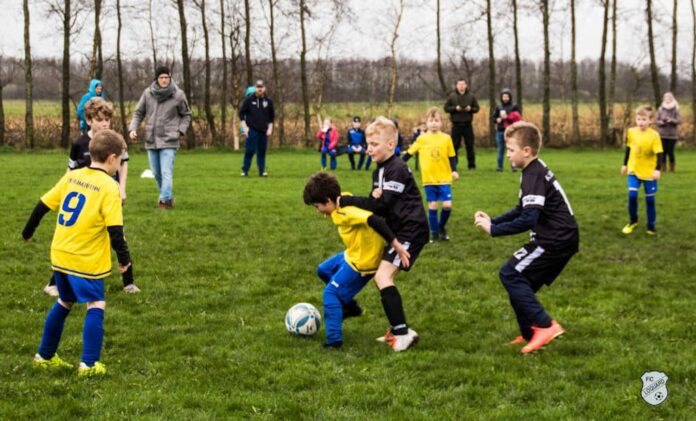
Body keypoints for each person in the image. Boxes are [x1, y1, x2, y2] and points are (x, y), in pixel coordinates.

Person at [22, 129, 134, 376]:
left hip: (60, 254)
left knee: (65, 300)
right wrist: (125, 261)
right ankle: (90, 364)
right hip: (85, 259)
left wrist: (27, 231)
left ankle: (44, 356)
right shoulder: (109, 186)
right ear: (112, 158)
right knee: (96, 303)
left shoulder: (72, 177)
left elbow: (42, 205)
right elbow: (116, 231)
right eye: (121, 159)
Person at [474, 121, 578, 354]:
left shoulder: (533, 174)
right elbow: (521, 209)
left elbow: (529, 218)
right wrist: (494, 221)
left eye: (511, 150)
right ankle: (530, 334)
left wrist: (494, 231)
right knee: (520, 284)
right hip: (561, 237)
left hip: (554, 239)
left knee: (509, 273)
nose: (508, 155)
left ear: (526, 151)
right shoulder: (533, 170)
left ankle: (545, 325)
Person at [338, 116, 428, 352]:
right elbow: (374, 204)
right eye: (368, 144)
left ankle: (402, 333)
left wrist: (347, 200)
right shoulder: (380, 171)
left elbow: (381, 206)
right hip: (400, 230)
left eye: (375, 144)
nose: (369, 150)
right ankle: (398, 328)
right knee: (383, 277)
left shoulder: (396, 168)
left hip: (412, 230)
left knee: (383, 277)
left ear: (390, 145)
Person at [42, 97, 140, 296]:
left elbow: (123, 165)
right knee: (76, 239)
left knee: (119, 236)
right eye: (100, 120)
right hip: (86, 201)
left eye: (107, 120)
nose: (105, 124)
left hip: (108, 197)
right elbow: (70, 170)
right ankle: (53, 283)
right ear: (89, 120)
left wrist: (122, 188)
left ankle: (128, 282)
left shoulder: (114, 140)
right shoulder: (79, 143)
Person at [303, 172, 409, 349]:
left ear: (328, 201)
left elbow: (374, 220)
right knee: (323, 270)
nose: (317, 211)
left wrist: (395, 244)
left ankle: (334, 341)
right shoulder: (343, 199)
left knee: (330, 294)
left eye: (317, 206)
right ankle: (350, 307)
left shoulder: (346, 212)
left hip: (363, 262)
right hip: (352, 253)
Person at [129, 66, 191, 209]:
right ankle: (168, 198)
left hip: (170, 139)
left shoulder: (178, 95)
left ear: (170, 78)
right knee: (157, 174)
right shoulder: (148, 93)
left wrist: (180, 131)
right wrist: (133, 128)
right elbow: (138, 113)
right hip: (151, 139)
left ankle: (163, 201)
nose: (164, 80)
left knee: (166, 171)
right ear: (156, 79)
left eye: (166, 78)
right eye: (161, 78)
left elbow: (186, 115)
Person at [402, 107, 459, 243]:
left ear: (441, 123)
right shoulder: (422, 139)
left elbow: (452, 157)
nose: (434, 123)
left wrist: (454, 170)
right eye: (431, 120)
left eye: (437, 120)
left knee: (447, 205)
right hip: (429, 180)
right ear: (426, 122)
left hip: (444, 178)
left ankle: (440, 227)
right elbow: (409, 154)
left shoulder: (446, 139)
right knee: (433, 206)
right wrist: (397, 164)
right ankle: (434, 234)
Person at [621, 105, 664, 235]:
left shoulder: (654, 136)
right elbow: (629, 149)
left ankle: (651, 226)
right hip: (633, 170)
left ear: (650, 121)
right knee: (632, 195)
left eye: (644, 119)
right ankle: (633, 221)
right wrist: (624, 164)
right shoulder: (631, 132)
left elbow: (660, 154)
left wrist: (657, 169)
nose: (641, 122)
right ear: (636, 119)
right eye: (639, 119)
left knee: (650, 200)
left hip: (649, 173)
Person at [238, 79, 275, 177]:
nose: (260, 89)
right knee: (250, 151)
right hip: (252, 130)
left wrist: (270, 128)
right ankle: (245, 170)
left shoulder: (268, 102)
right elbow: (241, 114)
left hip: (263, 130)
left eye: (261, 87)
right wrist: (244, 127)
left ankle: (262, 171)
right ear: (255, 88)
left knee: (262, 151)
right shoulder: (249, 100)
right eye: (258, 87)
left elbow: (272, 117)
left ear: (264, 88)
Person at [444, 78, 480, 170]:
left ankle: (471, 165)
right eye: (459, 84)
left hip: (468, 125)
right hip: (456, 125)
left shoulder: (471, 96)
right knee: (454, 146)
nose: (461, 86)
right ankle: (453, 165)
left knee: (470, 146)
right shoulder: (452, 96)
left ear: (466, 85)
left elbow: (477, 108)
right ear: (456, 86)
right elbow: (446, 108)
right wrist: (455, 108)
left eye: (463, 84)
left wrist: (471, 109)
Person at [492, 88, 522, 172]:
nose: (505, 98)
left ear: (510, 97)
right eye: (503, 96)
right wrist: (497, 119)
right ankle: (500, 167)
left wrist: (508, 118)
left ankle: (514, 166)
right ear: (501, 97)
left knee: (512, 149)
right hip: (500, 130)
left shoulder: (514, 106)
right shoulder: (498, 106)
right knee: (500, 149)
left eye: (507, 96)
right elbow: (493, 118)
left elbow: (518, 117)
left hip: (511, 131)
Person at [655, 92, 680, 173]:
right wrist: (662, 122)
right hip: (662, 134)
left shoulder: (676, 109)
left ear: (672, 99)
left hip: (672, 135)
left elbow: (679, 120)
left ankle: (672, 169)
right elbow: (656, 120)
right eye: (666, 98)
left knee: (670, 152)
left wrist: (672, 120)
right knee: (663, 152)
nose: (667, 100)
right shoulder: (660, 109)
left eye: (669, 98)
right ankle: (663, 169)